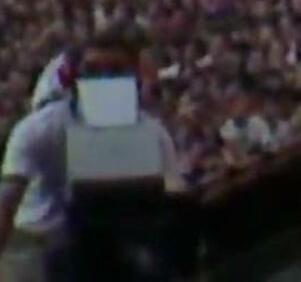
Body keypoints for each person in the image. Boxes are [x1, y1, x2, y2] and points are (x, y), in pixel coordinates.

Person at [0, 27, 183, 281]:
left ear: (134, 76)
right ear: (75, 76)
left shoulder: (153, 134)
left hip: (111, 246)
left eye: (115, 70)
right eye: (93, 70)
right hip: (37, 241)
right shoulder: (40, 128)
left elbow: (172, 201)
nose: (104, 79)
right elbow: (7, 202)